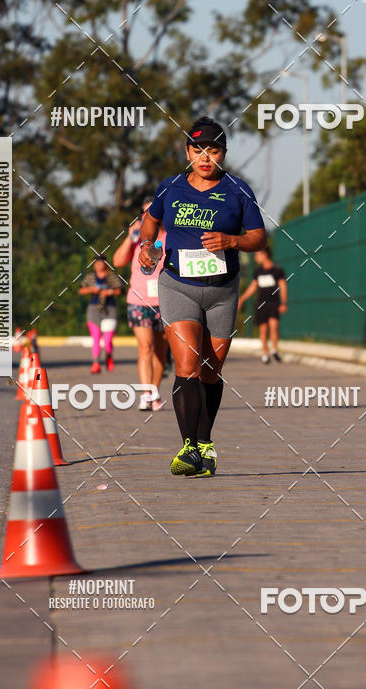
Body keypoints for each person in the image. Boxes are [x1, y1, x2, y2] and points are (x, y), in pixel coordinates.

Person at [139, 116, 267, 477]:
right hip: (177, 284)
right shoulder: (170, 188)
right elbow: (151, 221)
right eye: (198, 150)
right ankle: (189, 447)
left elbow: (259, 238)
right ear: (187, 152)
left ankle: (205, 443)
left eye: (213, 150)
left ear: (223, 153)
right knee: (186, 365)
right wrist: (147, 245)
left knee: (211, 370)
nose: (205, 157)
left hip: (223, 291)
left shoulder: (239, 191)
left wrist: (232, 241)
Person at [112, 201, 168, 411]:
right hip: (138, 301)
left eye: (152, 211)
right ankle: (146, 394)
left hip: (164, 303)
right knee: (146, 347)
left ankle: (153, 392)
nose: (148, 215)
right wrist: (130, 237)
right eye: (144, 212)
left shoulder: (168, 237)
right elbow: (117, 262)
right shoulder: (138, 241)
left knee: (160, 353)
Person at [238, 246, 288, 363]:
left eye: (257, 255)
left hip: (274, 303)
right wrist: (242, 299)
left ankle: (274, 350)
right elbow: (253, 287)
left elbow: (283, 286)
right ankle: (265, 353)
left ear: (265, 254)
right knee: (263, 330)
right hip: (261, 304)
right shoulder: (258, 271)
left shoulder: (277, 270)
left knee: (274, 327)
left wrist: (283, 303)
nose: (256, 257)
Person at [78, 256, 122, 374]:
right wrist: (92, 290)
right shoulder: (90, 277)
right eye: (96, 263)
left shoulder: (111, 276)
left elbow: (120, 290)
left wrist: (109, 292)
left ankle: (108, 355)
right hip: (93, 309)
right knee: (96, 337)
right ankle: (96, 363)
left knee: (107, 340)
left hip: (109, 309)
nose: (98, 265)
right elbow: (81, 290)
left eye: (100, 263)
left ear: (105, 264)